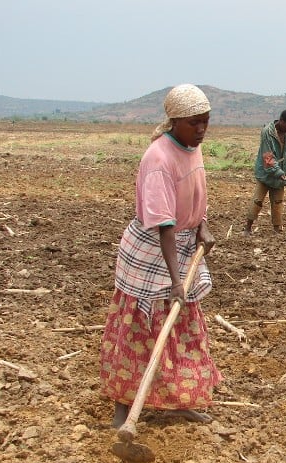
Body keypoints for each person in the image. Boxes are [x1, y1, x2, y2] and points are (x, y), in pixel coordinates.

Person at [100, 84, 221, 429]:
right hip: (153, 250)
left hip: (182, 244)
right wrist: (174, 281)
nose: (201, 130)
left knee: (179, 326)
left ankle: (176, 401)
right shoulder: (158, 158)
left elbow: (195, 193)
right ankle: (123, 409)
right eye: (194, 123)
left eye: (206, 122)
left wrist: (202, 226)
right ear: (175, 121)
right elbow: (163, 226)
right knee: (139, 327)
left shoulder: (191, 147)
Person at [243, 109, 286, 235]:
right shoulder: (268, 132)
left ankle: (277, 229)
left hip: (280, 175)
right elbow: (268, 158)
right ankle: (247, 228)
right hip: (266, 174)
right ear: (281, 120)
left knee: (278, 203)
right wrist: (280, 173)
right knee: (257, 201)